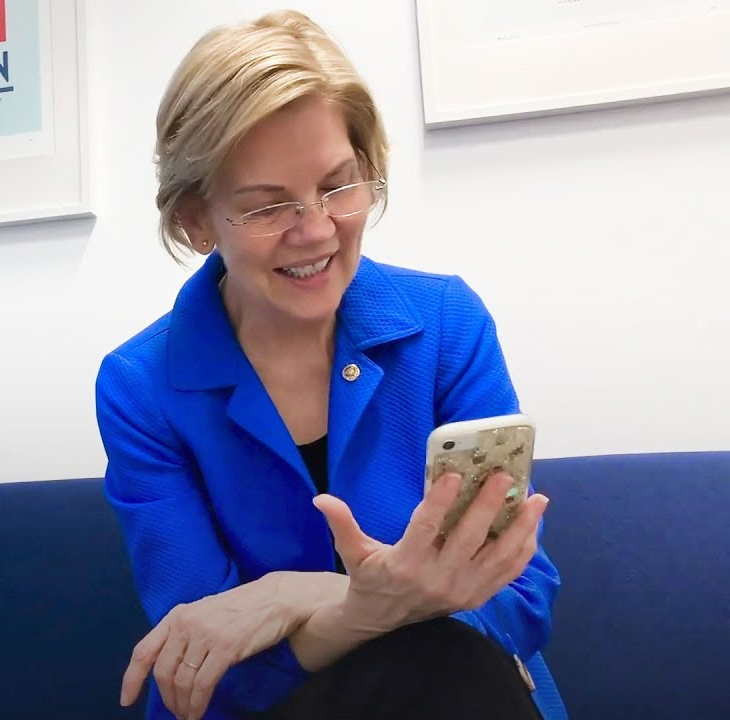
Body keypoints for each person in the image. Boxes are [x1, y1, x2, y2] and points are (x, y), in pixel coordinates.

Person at [95, 10, 566, 720]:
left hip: (465, 695)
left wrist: (300, 594)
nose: (315, 228)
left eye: (338, 185)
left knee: (450, 666)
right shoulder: (141, 388)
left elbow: (521, 600)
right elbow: (201, 675)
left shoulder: (446, 324)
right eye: (266, 206)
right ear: (196, 222)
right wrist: (366, 606)